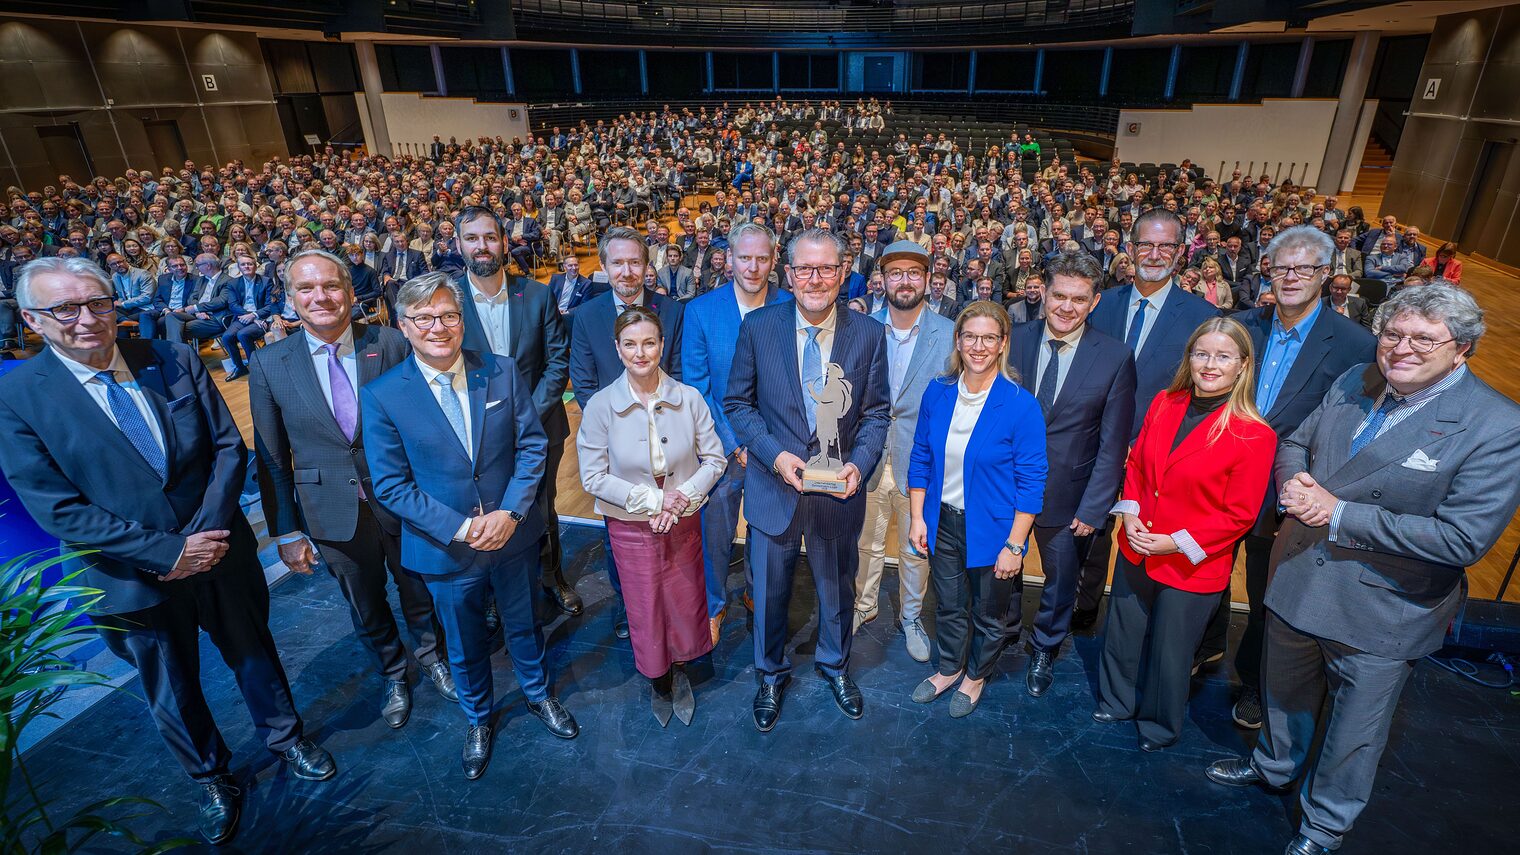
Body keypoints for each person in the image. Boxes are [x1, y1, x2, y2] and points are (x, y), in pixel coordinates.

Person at [0, 257, 336, 845]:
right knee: (170, 686)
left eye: (98, 302)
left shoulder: (172, 357)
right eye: (65, 309)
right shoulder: (15, 396)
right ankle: (211, 777)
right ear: (31, 319)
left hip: (219, 548)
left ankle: (286, 738)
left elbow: (227, 448)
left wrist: (205, 537)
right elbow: (57, 507)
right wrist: (169, 552)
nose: (87, 319)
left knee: (254, 652)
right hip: (128, 574)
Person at [1205, 284, 1520, 855]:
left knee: (1354, 732)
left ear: (1462, 348)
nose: (1402, 348)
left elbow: (1462, 538)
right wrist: (1292, 482)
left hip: (1384, 604)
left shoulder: (1496, 425)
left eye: (1424, 339)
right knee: (1283, 695)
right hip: (1301, 576)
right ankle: (1274, 766)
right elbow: (1295, 442)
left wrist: (1339, 512)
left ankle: (1324, 825)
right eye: (1393, 334)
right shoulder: (1356, 379)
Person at [361, 272, 579, 782]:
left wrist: (511, 513)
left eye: (448, 316)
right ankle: (478, 718)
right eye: (424, 318)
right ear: (403, 325)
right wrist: (463, 528)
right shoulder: (383, 395)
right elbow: (391, 485)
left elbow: (532, 446)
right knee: (462, 643)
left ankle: (538, 695)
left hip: (512, 535)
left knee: (525, 625)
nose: (438, 327)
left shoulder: (500, 371)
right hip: (446, 548)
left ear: (462, 321)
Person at [249, 248, 456, 731]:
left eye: (331, 285)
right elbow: (272, 455)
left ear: (349, 291)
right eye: (306, 288)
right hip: (330, 510)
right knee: (364, 603)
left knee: (419, 588)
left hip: (404, 501)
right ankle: (393, 673)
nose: (320, 296)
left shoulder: (391, 343)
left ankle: (433, 657)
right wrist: (286, 531)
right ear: (290, 298)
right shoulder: (269, 363)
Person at [724, 227, 891, 731]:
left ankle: (835, 666)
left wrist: (859, 463)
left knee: (837, 592)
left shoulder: (869, 334)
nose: (814, 279)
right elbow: (738, 403)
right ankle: (770, 674)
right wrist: (775, 456)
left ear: (843, 272)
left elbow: (876, 413)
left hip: (838, 492)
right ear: (788, 273)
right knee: (769, 594)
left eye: (825, 269)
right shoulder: (759, 326)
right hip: (774, 487)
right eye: (804, 269)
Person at [1094, 317, 1276, 751]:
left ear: (1243, 365)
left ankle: (1159, 725)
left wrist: (1173, 542)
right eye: (1202, 354)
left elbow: (1239, 515)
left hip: (1191, 563)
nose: (1210, 365)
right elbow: (1137, 466)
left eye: (1223, 356)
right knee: (1121, 634)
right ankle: (1116, 702)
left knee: (1170, 654)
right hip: (1138, 545)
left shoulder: (1255, 433)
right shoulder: (1164, 402)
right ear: (1189, 357)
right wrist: (1130, 514)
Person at [577, 306, 725, 726]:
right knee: (645, 604)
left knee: (684, 598)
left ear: (661, 345)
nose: (640, 353)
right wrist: (655, 502)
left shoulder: (690, 398)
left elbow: (715, 460)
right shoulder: (600, 405)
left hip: (684, 513)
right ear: (617, 348)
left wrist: (680, 498)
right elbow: (593, 477)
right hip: (630, 521)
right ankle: (658, 678)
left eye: (648, 343)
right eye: (630, 344)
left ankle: (681, 667)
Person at [1073, 209, 1220, 631]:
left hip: (1160, 456)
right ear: (1130, 248)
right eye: (1146, 245)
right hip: (1093, 447)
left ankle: (1138, 626)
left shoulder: (1201, 317)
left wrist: (1143, 445)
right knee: (1088, 538)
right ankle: (1082, 611)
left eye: (1165, 245)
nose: (1154, 254)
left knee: (1145, 545)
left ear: (1180, 252)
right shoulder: (1100, 304)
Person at [906, 300, 1047, 717]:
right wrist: (917, 517)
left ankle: (975, 675)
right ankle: (950, 668)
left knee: (989, 614)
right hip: (942, 521)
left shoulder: (1020, 405)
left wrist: (1015, 546)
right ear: (958, 341)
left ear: (1003, 343)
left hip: (994, 530)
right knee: (949, 605)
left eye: (988, 338)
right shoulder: (938, 391)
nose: (978, 346)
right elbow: (920, 457)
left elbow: (1032, 483)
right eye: (970, 336)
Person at [1005, 252, 1135, 696]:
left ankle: (1045, 646)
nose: (1066, 307)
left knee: (1061, 581)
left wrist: (1095, 507)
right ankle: (1004, 630)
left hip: (1071, 494)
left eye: (1079, 299)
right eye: (1059, 295)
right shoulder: (1013, 339)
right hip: (1005, 486)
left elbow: (1113, 443)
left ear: (1094, 302)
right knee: (1001, 566)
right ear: (1043, 292)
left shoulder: (1115, 357)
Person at [453, 207, 578, 618]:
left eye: (490, 237)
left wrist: (524, 418)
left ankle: (552, 579)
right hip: (474, 435)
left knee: (542, 508)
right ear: (458, 245)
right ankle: (494, 596)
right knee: (485, 514)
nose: (482, 246)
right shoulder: (448, 300)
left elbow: (557, 363)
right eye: (472, 238)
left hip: (539, 427)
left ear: (504, 242)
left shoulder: (537, 294)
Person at [571, 226, 687, 636]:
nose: (626, 271)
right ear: (603, 266)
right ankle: (629, 606)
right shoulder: (586, 315)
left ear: (646, 265)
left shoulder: (672, 310)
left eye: (634, 262)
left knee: (673, 527)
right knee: (619, 535)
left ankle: (674, 605)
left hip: (669, 443)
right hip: (615, 448)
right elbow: (584, 384)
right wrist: (618, 431)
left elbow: (680, 373)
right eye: (617, 262)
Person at [682, 223, 793, 640]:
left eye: (762, 258)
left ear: (774, 259)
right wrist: (736, 444)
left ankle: (755, 592)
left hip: (776, 446)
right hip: (721, 449)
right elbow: (698, 387)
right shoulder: (701, 311)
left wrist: (765, 445)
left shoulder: (791, 305)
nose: (752, 267)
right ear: (729, 259)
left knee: (766, 532)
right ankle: (713, 604)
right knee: (715, 534)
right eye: (744, 257)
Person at [852, 240, 955, 662]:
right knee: (866, 542)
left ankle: (911, 616)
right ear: (882, 279)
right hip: (869, 457)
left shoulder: (950, 335)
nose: (905, 281)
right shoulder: (861, 328)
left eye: (914, 272)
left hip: (922, 463)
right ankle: (863, 604)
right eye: (895, 273)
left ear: (928, 280)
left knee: (916, 549)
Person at [217, 255, 280, 381]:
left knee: (243, 334)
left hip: (262, 318)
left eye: (250, 264)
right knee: (227, 337)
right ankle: (239, 367)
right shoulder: (233, 283)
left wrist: (254, 315)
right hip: (242, 317)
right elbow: (233, 305)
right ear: (239, 267)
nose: (247, 266)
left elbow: (270, 305)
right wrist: (250, 316)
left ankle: (256, 369)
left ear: (255, 266)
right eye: (243, 264)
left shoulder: (266, 281)